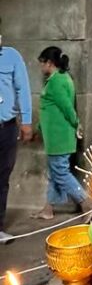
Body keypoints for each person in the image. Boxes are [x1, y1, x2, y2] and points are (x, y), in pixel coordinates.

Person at [33, 46, 92, 220]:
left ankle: (86, 203)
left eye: (42, 63)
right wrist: (39, 128)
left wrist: (77, 123)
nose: (40, 67)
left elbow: (67, 107)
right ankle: (48, 209)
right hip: (57, 136)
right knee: (55, 173)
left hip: (59, 137)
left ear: (49, 63)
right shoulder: (60, 78)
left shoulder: (57, 82)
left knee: (60, 173)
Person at [0, 33, 32, 243]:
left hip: (6, 128)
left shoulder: (12, 57)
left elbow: (23, 89)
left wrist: (27, 120)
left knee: (2, 178)